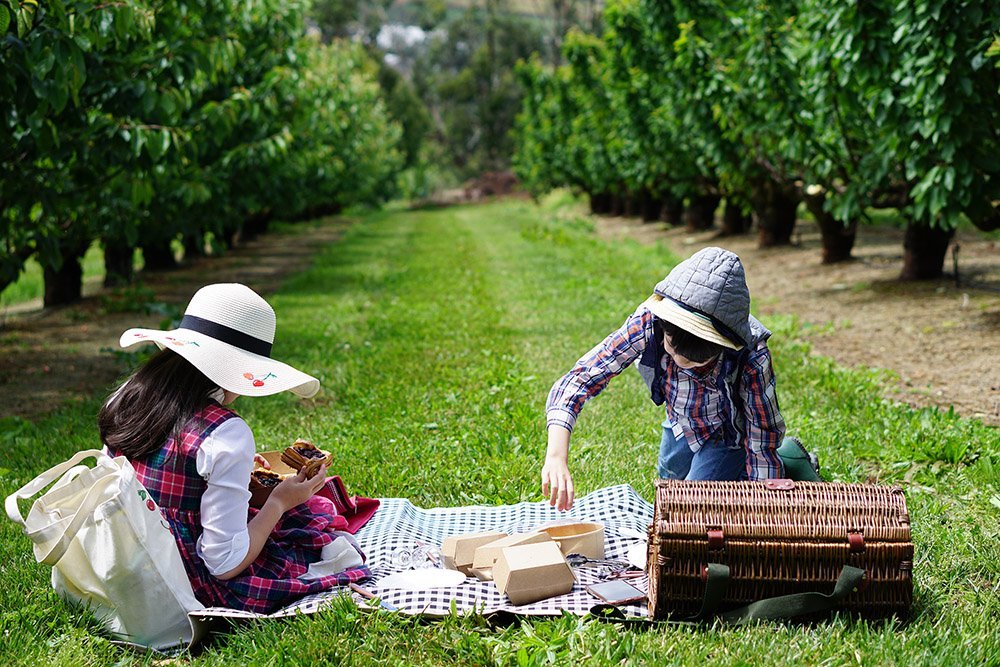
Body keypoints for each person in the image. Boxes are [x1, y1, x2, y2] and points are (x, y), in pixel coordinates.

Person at [98, 283, 369, 613]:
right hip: (178, 581)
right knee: (308, 524)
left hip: (118, 556)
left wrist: (232, 472)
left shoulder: (129, 394)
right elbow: (224, 562)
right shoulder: (225, 432)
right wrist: (280, 503)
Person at [541, 247, 787, 511]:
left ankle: (788, 462)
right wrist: (556, 456)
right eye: (671, 349)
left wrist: (764, 501)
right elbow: (579, 380)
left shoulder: (752, 357)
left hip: (726, 433)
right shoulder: (650, 322)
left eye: (696, 362)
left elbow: (762, 434)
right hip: (679, 420)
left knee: (687, 508)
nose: (680, 362)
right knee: (669, 484)